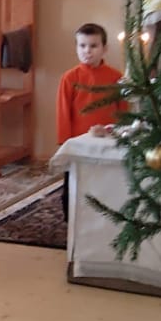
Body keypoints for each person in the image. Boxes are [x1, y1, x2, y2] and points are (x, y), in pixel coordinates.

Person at [56, 23, 126, 217]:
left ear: (104, 49)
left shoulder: (116, 77)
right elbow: (63, 111)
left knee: (104, 182)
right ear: (76, 47)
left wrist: (120, 133)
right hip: (78, 142)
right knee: (73, 184)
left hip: (107, 139)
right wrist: (65, 142)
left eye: (93, 46)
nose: (87, 51)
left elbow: (122, 109)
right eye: (82, 45)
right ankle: (71, 218)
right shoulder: (70, 78)